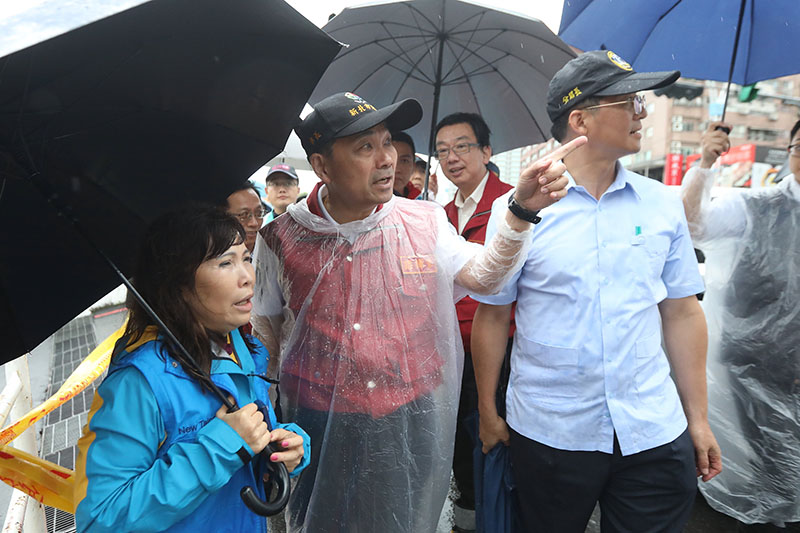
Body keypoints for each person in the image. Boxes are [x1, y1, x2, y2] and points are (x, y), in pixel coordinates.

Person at [251, 91, 584, 532]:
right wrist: (265, 406)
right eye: (365, 147)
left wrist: (521, 212)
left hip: (406, 415)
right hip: (314, 420)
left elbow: (487, 277)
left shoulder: (423, 222)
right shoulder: (281, 236)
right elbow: (265, 329)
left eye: (387, 142)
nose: (386, 158)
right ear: (322, 166)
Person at [471, 50, 722, 533]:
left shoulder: (661, 203)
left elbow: (682, 312)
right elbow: (494, 314)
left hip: (651, 428)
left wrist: (699, 419)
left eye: (641, 102)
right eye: (628, 102)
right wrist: (487, 412)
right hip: (551, 430)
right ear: (580, 118)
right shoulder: (520, 208)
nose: (642, 113)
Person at [75, 206, 310, 533]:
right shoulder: (138, 383)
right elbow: (101, 519)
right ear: (179, 283)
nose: (248, 276)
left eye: (245, 257)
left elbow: (248, 441)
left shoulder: (242, 347)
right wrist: (220, 448)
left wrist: (284, 447)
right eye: (226, 263)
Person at [681, 120, 800, 529]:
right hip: (758, 364)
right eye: (799, 145)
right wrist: (706, 164)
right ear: (788, 152)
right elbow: (694, 225)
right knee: (769, 456)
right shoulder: (760, 205)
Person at [434, 111, 516, 532]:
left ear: (487, 151)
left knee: (495, 439)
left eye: (462, 146)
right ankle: (468, 517)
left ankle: (496, 518)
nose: (452, 157)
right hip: (450, 352)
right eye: (443, 149)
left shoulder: (514, 205)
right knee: (458, 444)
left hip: (501, 352)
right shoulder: (437, 215)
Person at [224, 181, 269, 252]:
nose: (254, 223)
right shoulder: (211, 260)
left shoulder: (272, 254)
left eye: (259, 213)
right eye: (243, 215)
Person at [391, 130, 422, 199]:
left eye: (404, 161)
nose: (397, 169)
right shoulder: (367, 205)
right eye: (391, 160)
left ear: (413, 166)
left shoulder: (421, 203)